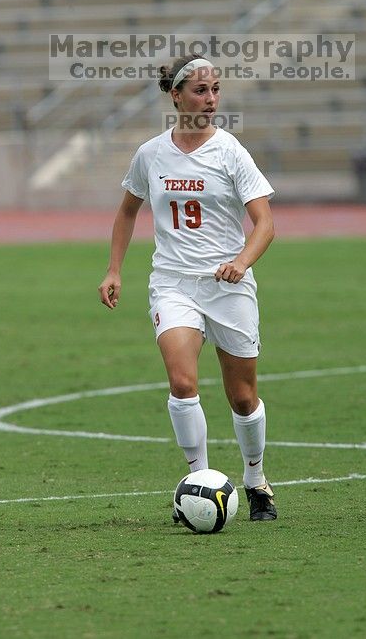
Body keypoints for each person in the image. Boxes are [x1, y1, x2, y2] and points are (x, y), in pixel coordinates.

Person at [98, 54, 277, 521]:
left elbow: (264, 223)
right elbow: (126, 211)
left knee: (242, 395)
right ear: (175, 96)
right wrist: (114, 269)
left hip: (228, 285)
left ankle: (256, 480)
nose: (211, 99)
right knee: (182, 383)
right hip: (173, 282)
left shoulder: (231, 151)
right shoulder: (151, 154)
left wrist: (241, 262)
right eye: (201, 90)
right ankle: (197, 481)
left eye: (216, 89)